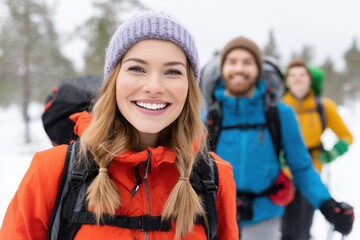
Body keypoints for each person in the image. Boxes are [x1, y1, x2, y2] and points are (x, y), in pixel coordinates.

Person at [0, 11, 239, 240]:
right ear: (114, 80)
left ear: (189, 87)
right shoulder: (52, 171)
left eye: (172, 71)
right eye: (137, 68)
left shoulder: (216, 176)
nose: (154, 86)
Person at [205, 36, 354, 240]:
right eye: (232, 62)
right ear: (222, 70)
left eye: (247, 62)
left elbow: (301, 168)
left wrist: (327, 205)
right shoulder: (208, 115)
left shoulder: (279, 113)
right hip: (216, 215)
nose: (239, 68)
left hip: (265, 216)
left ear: (258, 70)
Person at [281, 59, 354, 240]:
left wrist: (332, 153)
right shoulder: (278, 106)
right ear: (286, 81)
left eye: (302, 75)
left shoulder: (323, 106)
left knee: (302, 226)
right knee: (283, 227)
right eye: (293, 75)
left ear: (310, 79)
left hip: (311, 172)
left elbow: (346, 136)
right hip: (281, 174)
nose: (298, 79)